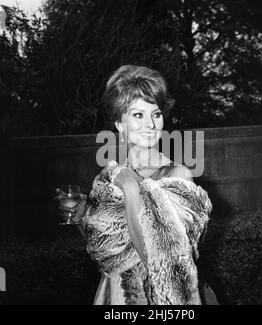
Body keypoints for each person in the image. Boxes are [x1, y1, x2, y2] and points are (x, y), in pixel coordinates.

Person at [56, 65, 218, 305]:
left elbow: (162, 264)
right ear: (120, 125)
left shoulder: (177, 176)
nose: (150, 124)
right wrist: (81, 216)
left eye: (156, 114)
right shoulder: (108, 178)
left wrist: (132, 189)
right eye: (138, 115)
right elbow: (106, 251)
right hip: (115, 294)